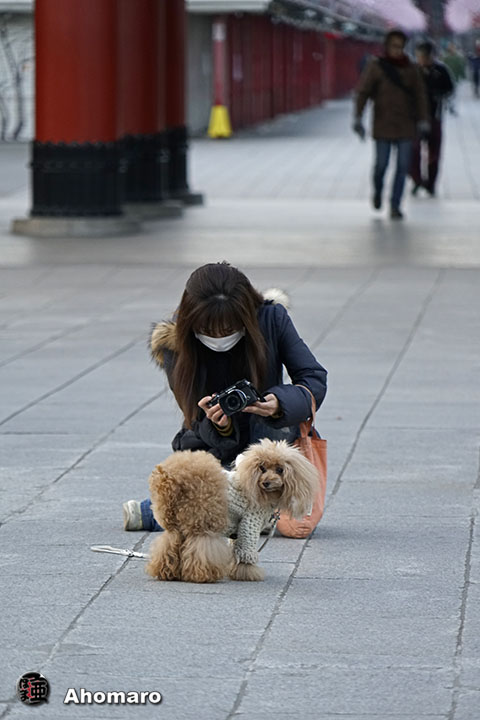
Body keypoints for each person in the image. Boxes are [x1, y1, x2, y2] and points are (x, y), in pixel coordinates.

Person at [123, 261, 327, 531]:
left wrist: (279, 403)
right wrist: (219, 425)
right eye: (208, 331)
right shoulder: (175, 341)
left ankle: (173, 512)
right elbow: (193, 418)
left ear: (245, 318)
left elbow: (313, 377)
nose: (219, 337)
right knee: (213, 484)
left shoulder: (270, 320)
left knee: (270, 437)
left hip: (266, 439)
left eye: (229, 329)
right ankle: (245, 510)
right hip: (213, 445)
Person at [353, 29, 430, 220]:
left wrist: (423, 120)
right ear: (387, 46)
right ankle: (378, 190)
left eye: (400, 46)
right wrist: (357, 117)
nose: (397, 50)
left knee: (403, 167)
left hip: (406, 125)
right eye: (394, 46)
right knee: (381, 165)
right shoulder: (376, 66)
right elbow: (363, 92)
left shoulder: (411, 69)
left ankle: (395, 205)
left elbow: (420, 96)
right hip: (383, 125)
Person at [410, 41, 454, 197]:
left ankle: (431, 183)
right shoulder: (412, 70)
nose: (421, 59)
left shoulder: (441, 70)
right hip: (415, 118)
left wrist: (438, 94)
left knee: (434, 152)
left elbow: (450, 89)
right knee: (413, 150)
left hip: (435, 116)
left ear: (431, 56)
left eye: (423, 56)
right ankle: (416, 180)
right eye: (418, 56)